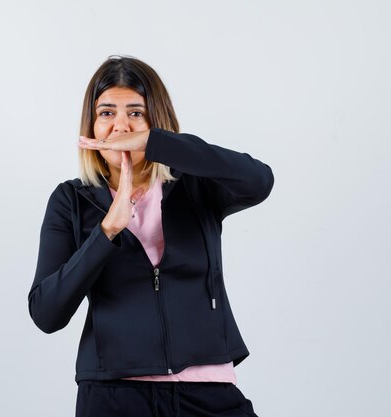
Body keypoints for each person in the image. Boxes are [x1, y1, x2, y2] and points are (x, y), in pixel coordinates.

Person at [27, 55, 274, 417]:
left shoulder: (195, 186)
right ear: (92, 125)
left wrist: (161, 146)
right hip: (113, 397)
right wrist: (107, 230)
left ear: (155, 124)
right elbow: (46, 314)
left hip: (207, 393)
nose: (120, 126)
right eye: (107, 113)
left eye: (136, 113)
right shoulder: (71, 200)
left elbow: (259, 181)